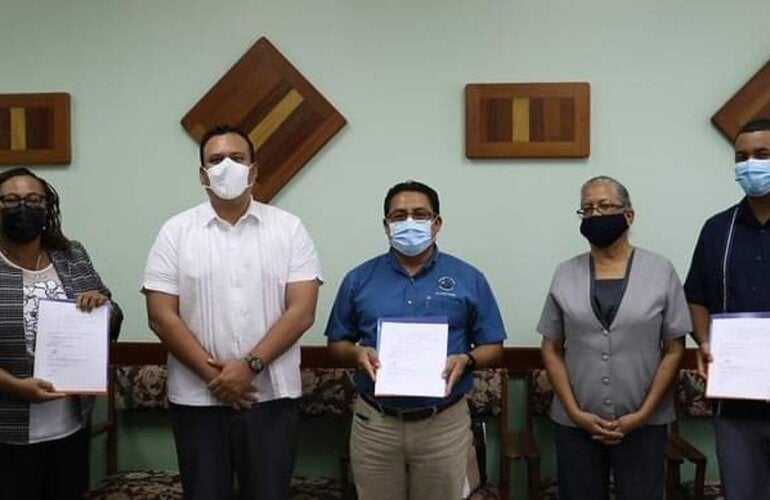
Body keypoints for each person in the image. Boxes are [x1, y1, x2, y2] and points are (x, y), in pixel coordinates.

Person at [143, 124, 322, 500]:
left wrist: (248, 367)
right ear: (202, 174)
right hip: (197, 400)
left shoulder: (289, 229)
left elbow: (301, 311)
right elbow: (161, 315)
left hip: (270, 399)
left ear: (253, 171)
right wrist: (219, 378)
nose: (227, 166)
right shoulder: (175, 231)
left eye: (237, 158)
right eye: (216, 159)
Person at [324, 180, 506, 500]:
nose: (409, 222)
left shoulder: (469, 278)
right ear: (386, 226)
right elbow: (336, 344)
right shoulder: (358, 279)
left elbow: (493, 346)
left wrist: (468, 360)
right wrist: (356, 354)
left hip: (443, 423)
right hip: (375, 423)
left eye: (420, 214)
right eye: (399, 216)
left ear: (437, 224)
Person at [537, 175, 689, 500]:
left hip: (644, 422)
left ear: (628, 215)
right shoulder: (565, 273)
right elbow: (550, 347)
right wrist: (575, 412)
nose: (595, 215)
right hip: (576, 422)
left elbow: (675, 348)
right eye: (587, 209)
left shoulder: (661, 271)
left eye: (605, 206)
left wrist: (644, 413)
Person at [0, 167, 122, 500]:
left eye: (33, 199)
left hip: (70, 427)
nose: (23, 207)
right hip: (7, 433)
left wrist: (102, 306)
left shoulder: (72, 255)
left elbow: (112, 314)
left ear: (47, 206)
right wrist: (15, 385)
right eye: (11, 200)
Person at [684, 118, 770, 499]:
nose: (750, 164)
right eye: (741, 157)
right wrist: (703, 341)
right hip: (736, 403)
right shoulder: (718, 229)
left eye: (762, 155)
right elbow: (696, 297)